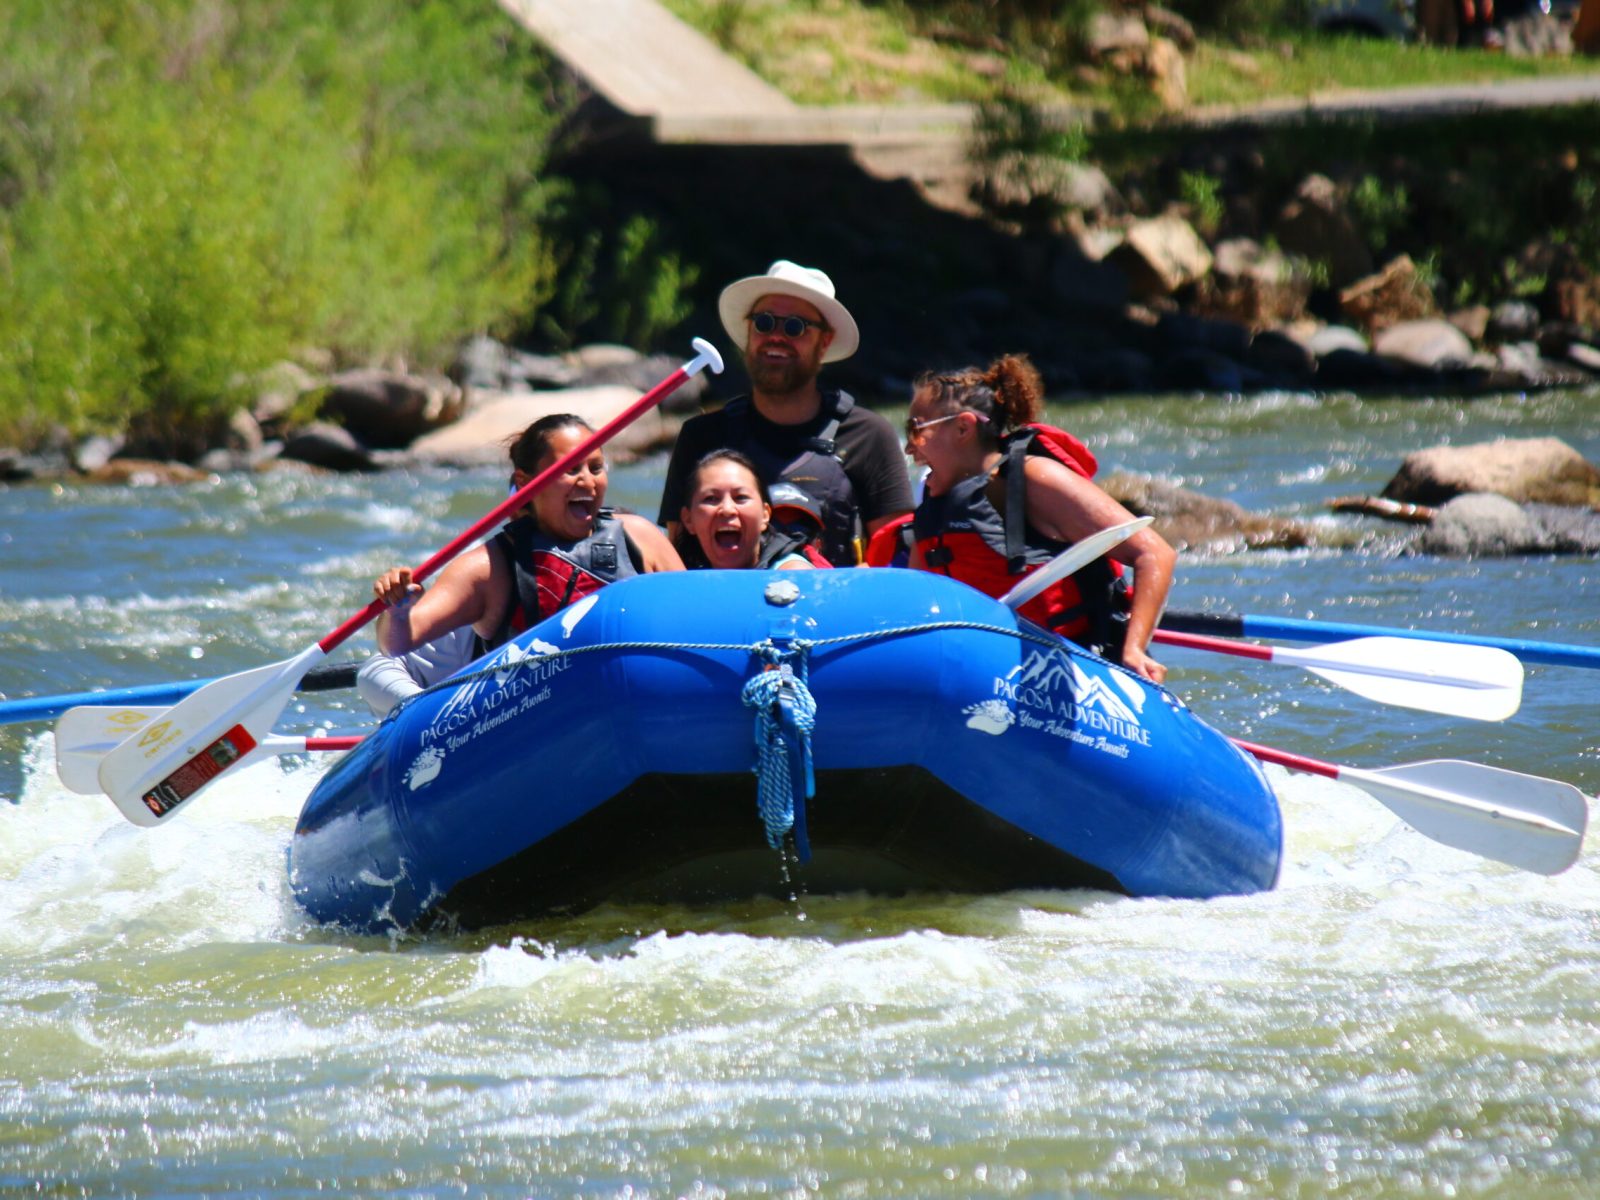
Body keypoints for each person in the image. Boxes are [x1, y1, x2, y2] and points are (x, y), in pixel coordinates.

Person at [904, 354, 1176, 684]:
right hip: (989, 676)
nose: (908, 448)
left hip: (1080, 673)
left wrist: (1134, 649)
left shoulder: (1034, 478)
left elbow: (1154, 553)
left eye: (916, 429)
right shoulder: (933, 510)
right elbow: (916, 607)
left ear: (963, 427)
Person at [657, 260, 913, 567]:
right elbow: (674, 560)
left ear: (825, 342)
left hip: (834, 611)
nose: (776, 336)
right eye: (764, 323)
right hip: (723, 609)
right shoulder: (701, 437)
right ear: (750, 331)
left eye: (795, 327)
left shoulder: (870, 436)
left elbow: (898, 559)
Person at [374, 413, 683, 661]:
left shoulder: (637, 535)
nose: (588, 481)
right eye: (571, 469)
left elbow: (693, 614)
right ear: (525, 482)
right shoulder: (490, 566)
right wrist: (398, 610)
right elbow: (398, 644)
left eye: (596, 467)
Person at [674, 449, 825, 570]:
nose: (727, 509)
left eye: (740, 497)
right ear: (688, 520)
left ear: (765, 515)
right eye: (711, 499)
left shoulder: (793, 573)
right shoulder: (677, 574)